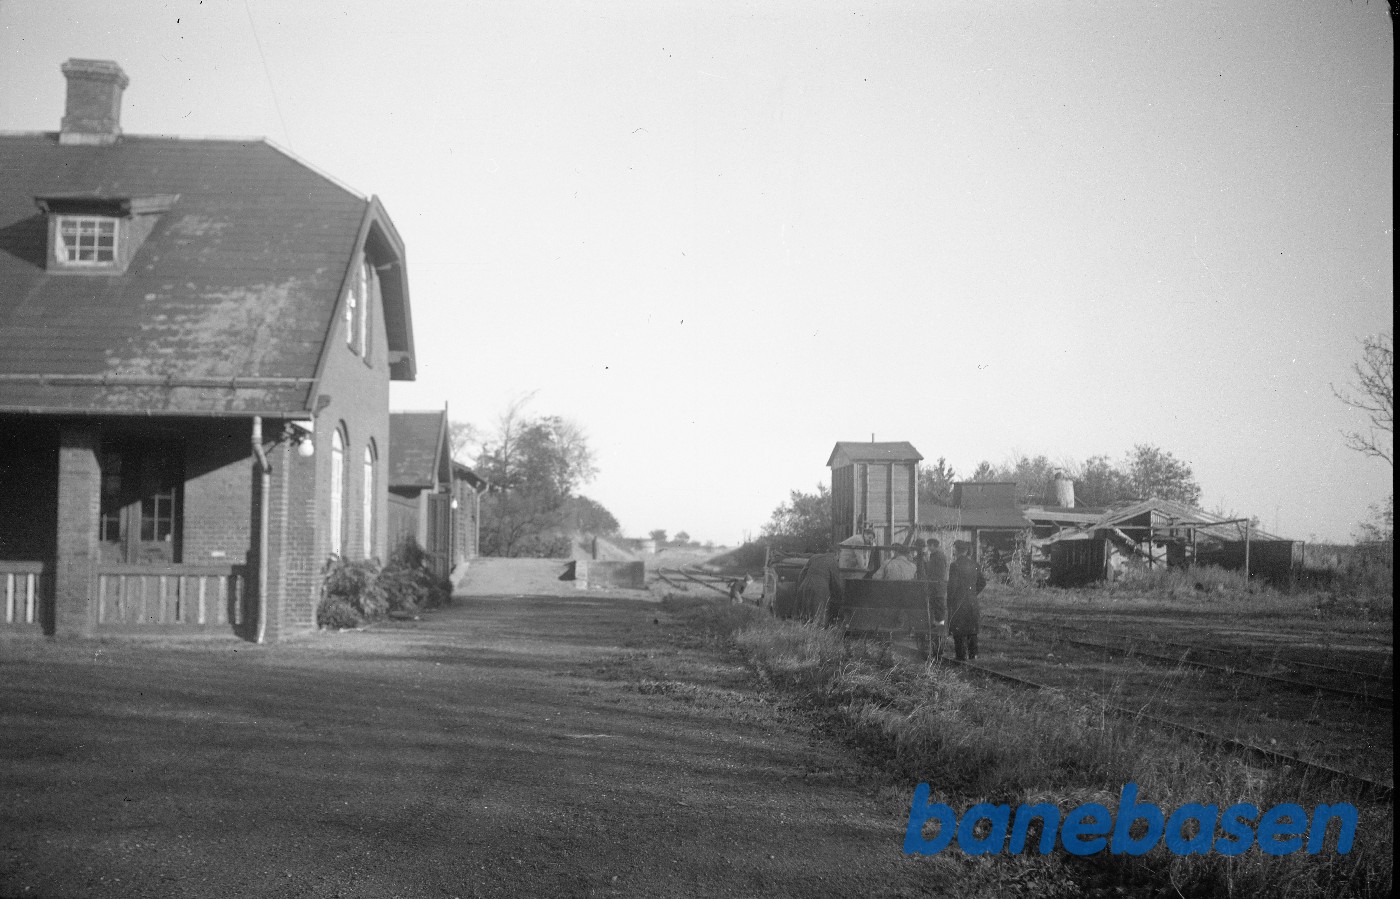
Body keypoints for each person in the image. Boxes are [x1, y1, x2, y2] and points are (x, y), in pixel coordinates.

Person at [947, 540, 987, 661]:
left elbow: (952, 585)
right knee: (972, 630)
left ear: (957, 550)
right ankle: (973, 655)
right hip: (972, 601)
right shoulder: (975, 564)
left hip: (959, 602)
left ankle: (960, 657)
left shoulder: (955, 565)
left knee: (958, 630)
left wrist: (949, 600)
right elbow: (982, 582)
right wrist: (973, 593)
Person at [795, 551, 845, 625]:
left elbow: (802, 573)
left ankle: (803, 629)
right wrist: (841, 596)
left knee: (804, 612)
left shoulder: (814, 557)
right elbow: (836, 584)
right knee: (818, 614)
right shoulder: (833, 562)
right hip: (820, 588)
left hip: (806, 584)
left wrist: (800, 587)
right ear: (837, 555)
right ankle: (816, 631)